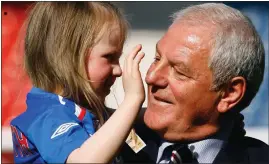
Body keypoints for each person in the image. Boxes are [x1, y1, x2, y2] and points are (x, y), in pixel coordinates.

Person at [120, 3, 269, 163]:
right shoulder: (114, 141)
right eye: (157, 59)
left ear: (229, 93)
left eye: (179, 71)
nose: (152, 77)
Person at [10, 2, 146, 163]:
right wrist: (132, 99)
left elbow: (134, 136)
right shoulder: (48, 115)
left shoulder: (88, 109)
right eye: (109, 57)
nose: (118, 70)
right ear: (68, 56)